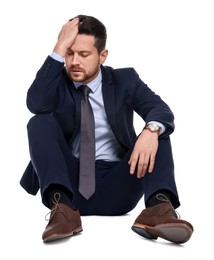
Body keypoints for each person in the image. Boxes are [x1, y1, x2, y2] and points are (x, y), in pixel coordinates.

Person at [20, 14, 193, 244]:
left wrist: (150, 131)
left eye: (83, 54)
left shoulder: (125, 80)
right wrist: (58, 47)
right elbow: (36, 104)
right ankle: (61, 212)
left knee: (157, 132)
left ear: (102, 56)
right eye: (69, 53)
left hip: (120, 185)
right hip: (69, 189)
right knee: (39, 122)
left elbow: (159, 109)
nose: (74, 62)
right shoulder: (56, 81)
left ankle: (159, 209)